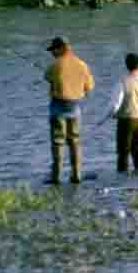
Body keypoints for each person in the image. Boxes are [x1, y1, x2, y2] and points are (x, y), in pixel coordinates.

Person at [43, 36, 94, 185]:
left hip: (58, 107)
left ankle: (56, 176)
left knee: (58, 141)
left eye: (53, 50)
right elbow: (89, 87)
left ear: (60, 49)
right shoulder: (82, 65)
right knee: (75, 141)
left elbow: (47, 77)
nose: (52, 53)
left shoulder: (55, 65)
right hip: (75, 107)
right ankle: (77, 174)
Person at [110, 53, 138, 174]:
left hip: (126, 120)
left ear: (126, 65)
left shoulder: (122, 82)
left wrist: (111, 114)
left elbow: (115, 104)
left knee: (123, 152)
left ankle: (122, 177)